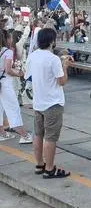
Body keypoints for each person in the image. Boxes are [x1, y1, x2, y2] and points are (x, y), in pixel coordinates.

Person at [25, 27, 72, 178]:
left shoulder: (33, 56)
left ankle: (39, 164)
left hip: (38, 101)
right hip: (53, 102)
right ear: (52, 41)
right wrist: (65, 67)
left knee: (38, 134)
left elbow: (28, 75)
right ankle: (50, 168)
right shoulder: (53, 59)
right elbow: (62, 81)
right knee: (50, 137)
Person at [0, 30, 32, 143]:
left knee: (0, 109)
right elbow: (8, 70)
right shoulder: (7, 52)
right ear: (6, 39)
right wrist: (18, 73)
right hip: (5, 85)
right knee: (13, 109)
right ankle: (24, 136)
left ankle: (2, 133)